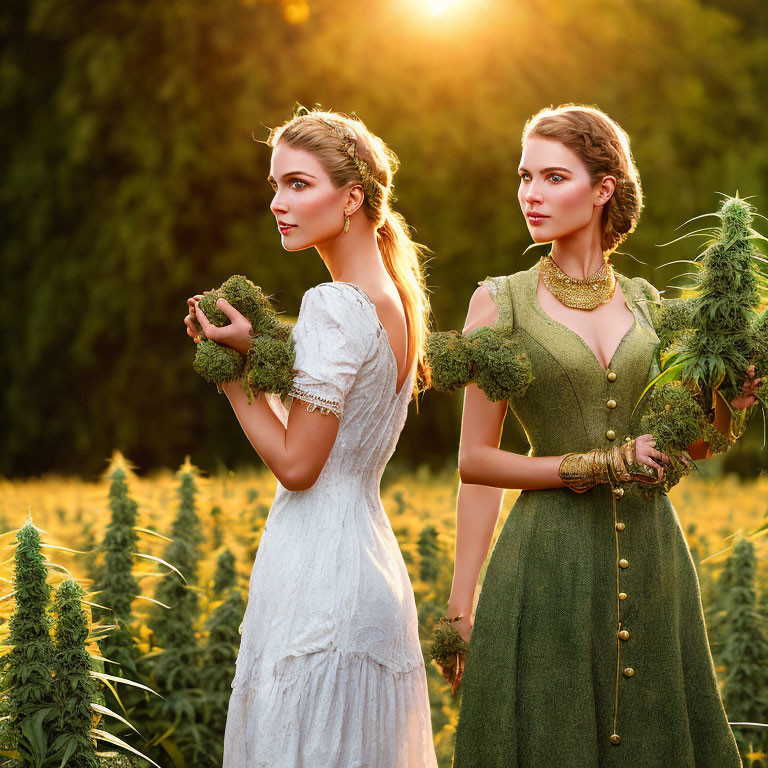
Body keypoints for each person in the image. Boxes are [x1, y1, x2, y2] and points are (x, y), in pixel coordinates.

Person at [446, 104, 760, 766]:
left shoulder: (651, 306)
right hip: (545, 568)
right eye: (525, 176)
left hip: (653, 565)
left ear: (603, 187)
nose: (531, 193)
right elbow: (475, 461)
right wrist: (459, 605)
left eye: (553, 177)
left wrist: (729, 411)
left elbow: (680, 449)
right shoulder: (497, 303)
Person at [184, 107, 437, 768]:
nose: (277, 203)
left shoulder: (333, 304)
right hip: (370, 565)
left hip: (320, 580)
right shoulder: (394, 299)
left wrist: (233, 379)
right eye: (275, 185)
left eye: (298, 184)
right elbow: (335, 417)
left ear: (352, 197)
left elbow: (298, 465)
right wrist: (262, 347)